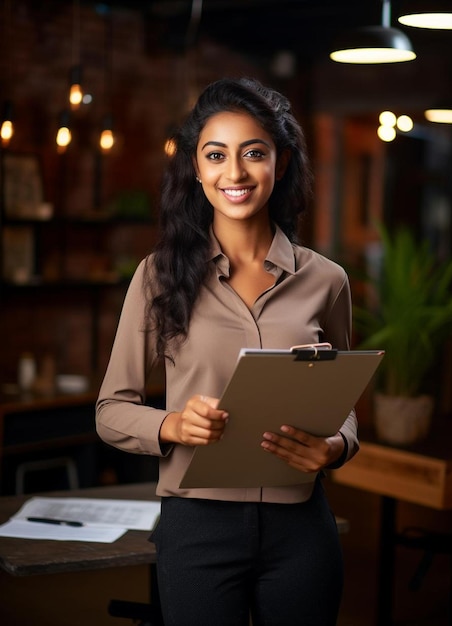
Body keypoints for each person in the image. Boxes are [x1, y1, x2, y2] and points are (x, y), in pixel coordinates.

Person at [96, 77, 359, 626]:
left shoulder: (327, 280)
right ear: (196, 167)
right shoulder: (157, 277)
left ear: (280, 164)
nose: (234, 173)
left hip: (302, 528)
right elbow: (110, 411)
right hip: (197, 528)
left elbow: (344, 400)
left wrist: (335, 446)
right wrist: (172, 426)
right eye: (216, 155)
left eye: (254, 154)